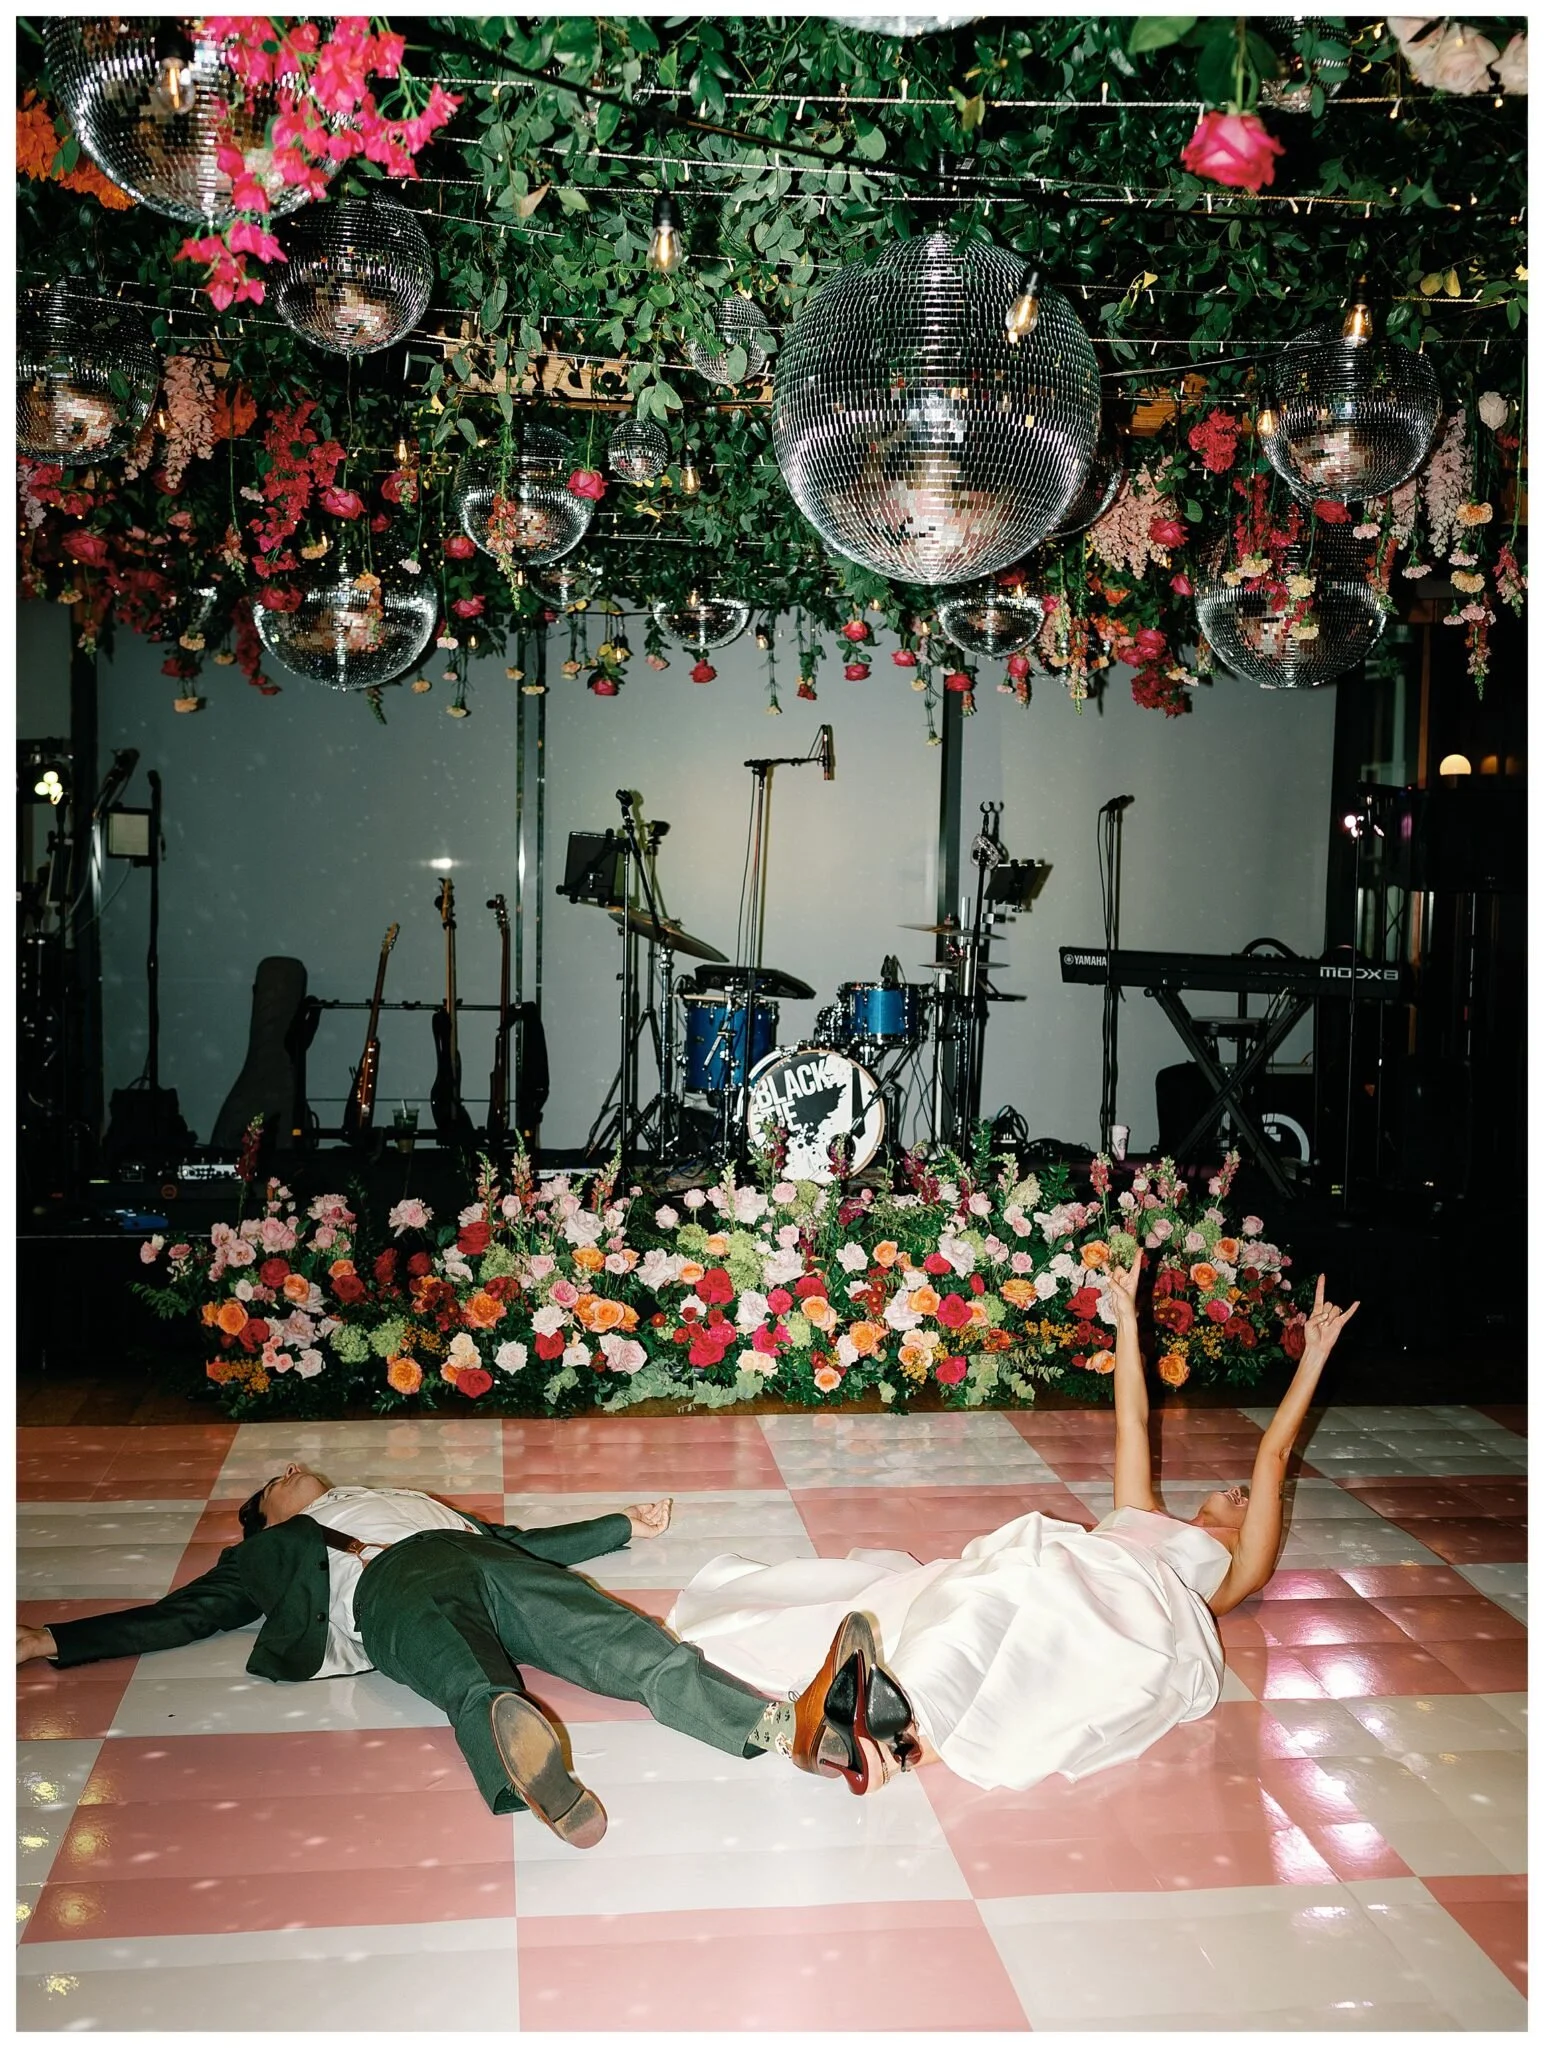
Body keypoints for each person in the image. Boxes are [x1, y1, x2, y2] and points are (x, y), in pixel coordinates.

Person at [671, 1262, 1358, 1794]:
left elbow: (1270, 1455)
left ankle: (892, 1720)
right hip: (1080, 1561)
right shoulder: (1143, 1514)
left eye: (1248, 1505)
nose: (1242, 1492)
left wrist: (1315, 1356)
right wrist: (1126, 1319)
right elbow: (1134, 1423)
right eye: (1239, 1493)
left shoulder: (1238, 1572)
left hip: (1137, 1601)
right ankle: (883, 1744)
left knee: (1013, 1621)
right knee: (968, 1596)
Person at [16, 1465, 917, 1844]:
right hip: (388, 1593)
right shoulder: (264, 1551)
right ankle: (531, 1775)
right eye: (278, 1476)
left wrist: (617, 1526)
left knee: (629, 1646)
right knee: (472, 1680)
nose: (295, 1464)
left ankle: (797, 1731)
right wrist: (55, 1640)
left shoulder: (399, 1494)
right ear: (268, 1513)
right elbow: (185, 1615)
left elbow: (519, 1537)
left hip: (482, 1560)